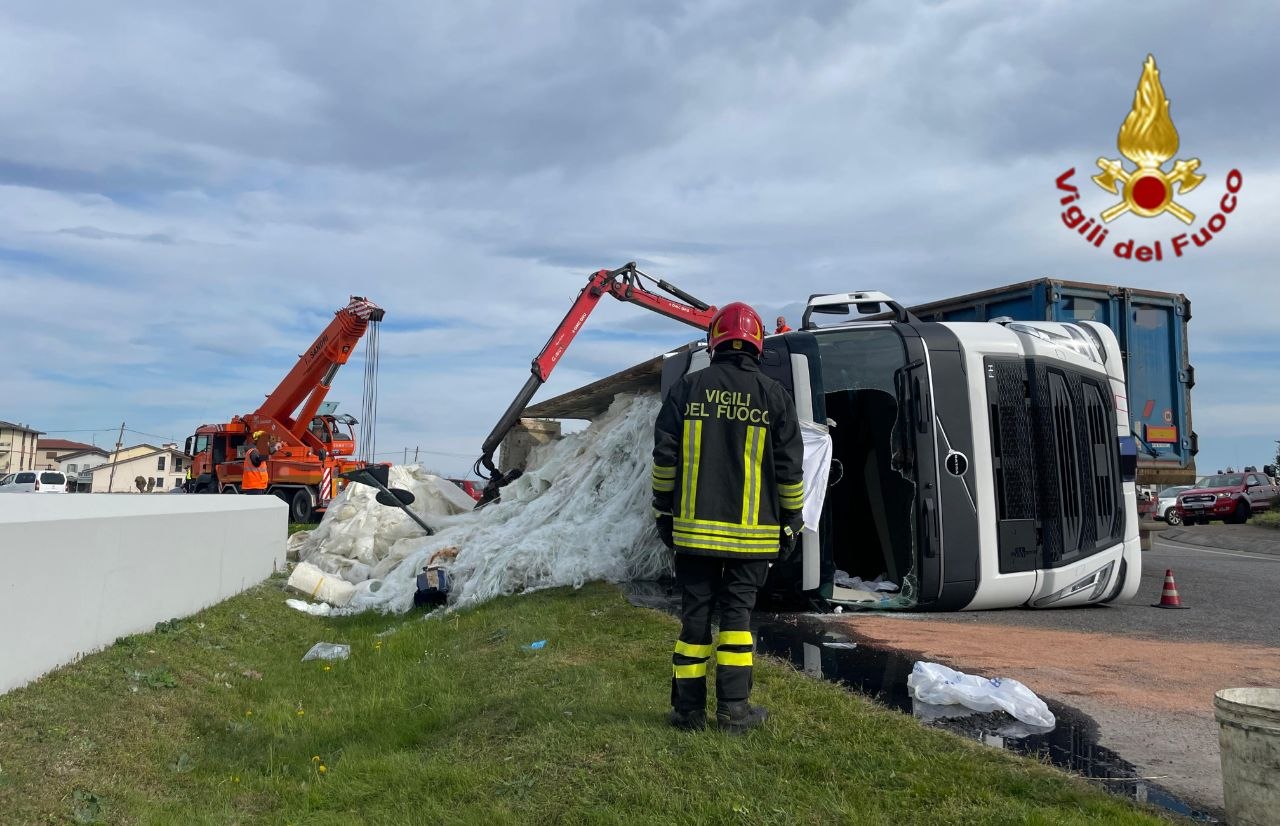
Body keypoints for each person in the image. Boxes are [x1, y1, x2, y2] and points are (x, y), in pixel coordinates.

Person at [652, 301, 805, 733]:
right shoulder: (775, 396)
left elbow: (665, 460)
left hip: (694, 532)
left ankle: (687, 712)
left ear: (713, 342)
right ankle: (734, 711)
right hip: (753, 537)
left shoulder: (687, 388)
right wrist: (792, 521)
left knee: (694, 618)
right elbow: (790, 470)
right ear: (757, 345)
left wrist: (663, 510)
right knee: (737, 619)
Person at [242, 430, 280, 494]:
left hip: (258, 484)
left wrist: (275, 448)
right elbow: (256, 462)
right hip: (254, 485)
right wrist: (266, 455)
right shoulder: (253, 451)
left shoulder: (256, 450)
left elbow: (268, 452)